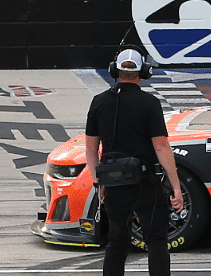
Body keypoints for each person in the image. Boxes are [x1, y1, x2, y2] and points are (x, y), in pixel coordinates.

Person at [84, 48, 183, 276]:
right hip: (145, 181)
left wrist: (98, 181)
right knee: (156, 239)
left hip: (114, 183)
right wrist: (175, 186)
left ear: (114, 71)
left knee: (117, 241)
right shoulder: (150, 103)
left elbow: (90, 150)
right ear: (143, 72)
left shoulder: (98, 102)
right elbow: (161, 146)